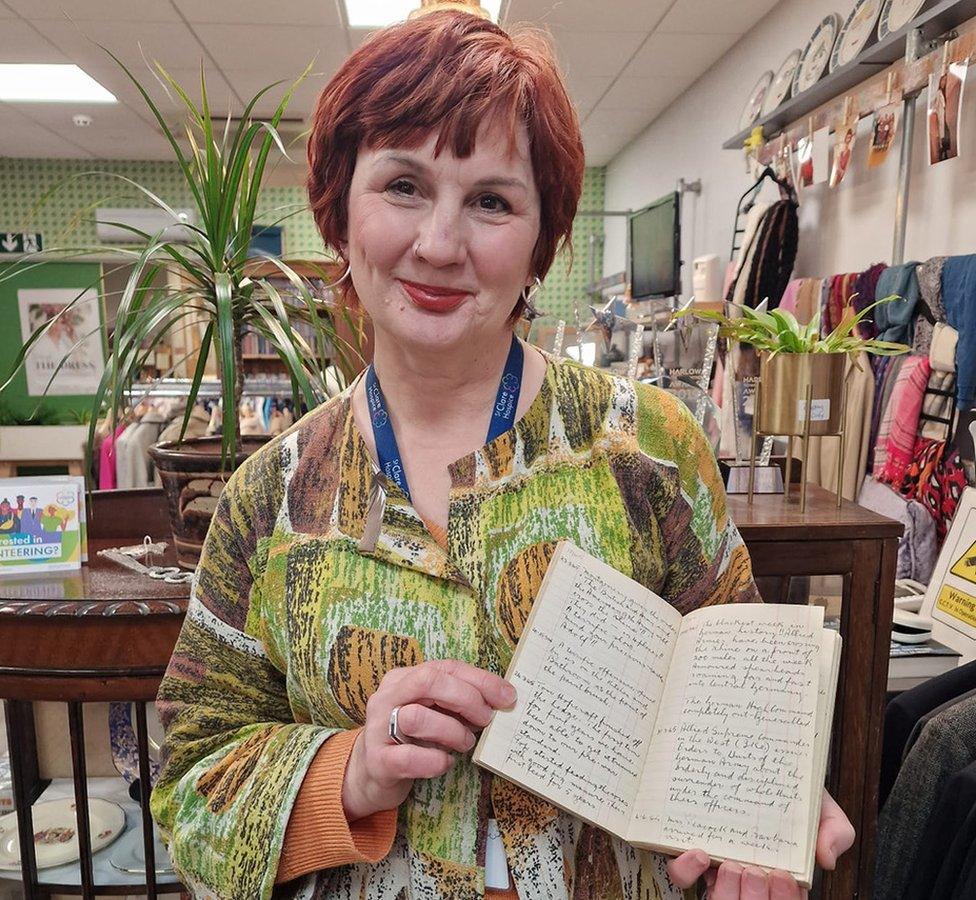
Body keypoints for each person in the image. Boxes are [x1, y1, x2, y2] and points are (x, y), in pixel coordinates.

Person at [150, 10, 854, 900]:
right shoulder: (272, 496)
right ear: (339, 210)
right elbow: (188, 781)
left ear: (539, 241)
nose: (440, 245)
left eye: (491, 200)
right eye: (403, 185)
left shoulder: (648, 449)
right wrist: (350, 773)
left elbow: (740, 702)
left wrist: (763, 818)